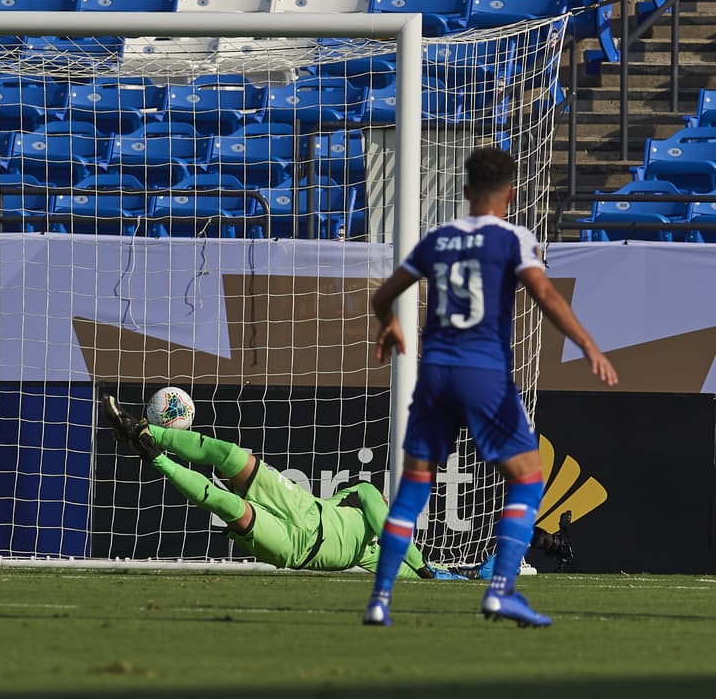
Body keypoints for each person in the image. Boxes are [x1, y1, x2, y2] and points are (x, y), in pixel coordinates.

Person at [362, 147, 617, 628]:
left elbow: (383, 295)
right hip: (485, 375)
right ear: (512, 192)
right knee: (526, 478)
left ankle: (379, 599)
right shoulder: (515, 239)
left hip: (434, 372)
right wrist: (588, 345)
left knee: (413, 488)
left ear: (464, 191)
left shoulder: (436, 239)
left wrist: (390, 326)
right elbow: (543, 294)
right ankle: (501, 590)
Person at [101, 395, 460, 580]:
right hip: (302, 507)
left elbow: (412, 575)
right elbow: (399, 541)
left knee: (226, 506)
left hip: (294, 548)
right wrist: (422, 563)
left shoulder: (375, 555)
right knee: (229, 455)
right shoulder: (359, 495)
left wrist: (446, 576)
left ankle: (155, 456)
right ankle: (143, 431)